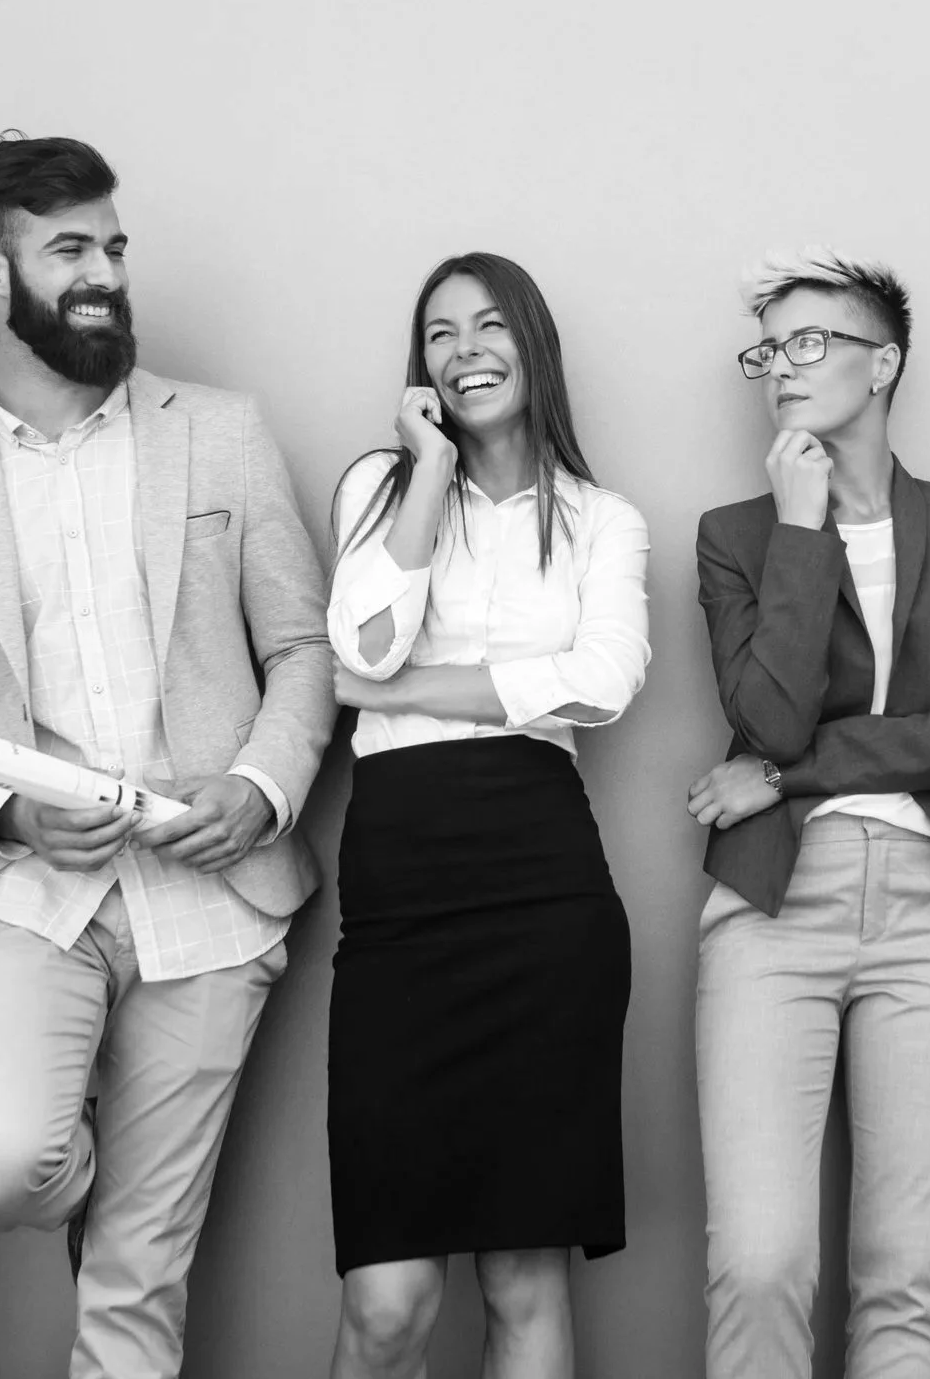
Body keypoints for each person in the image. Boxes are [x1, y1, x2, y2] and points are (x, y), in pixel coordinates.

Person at [0, 135, 334, 1379]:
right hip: (27, 892)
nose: (104, 275)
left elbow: (300, 646)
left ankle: (138, 1207)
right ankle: (120, 1169)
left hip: (213, 900)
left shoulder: (221, 435)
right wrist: (2, 819)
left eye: (112, 247)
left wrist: (260, 788)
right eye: (68, 249)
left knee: (138, 1277)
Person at [688, 250, 930, 1379]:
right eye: (767, 351)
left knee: (905, 1272)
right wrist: (800, 526)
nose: (778, 370)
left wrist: (784, 778)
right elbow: (770, 715)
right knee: (759, 1261)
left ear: (882, 363)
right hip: (776, 905)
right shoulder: (736, 536)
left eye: (806, 344)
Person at [322, 253, 647, 1379]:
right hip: (402, 890)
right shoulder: (377, 484)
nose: (466, 351)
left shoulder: (604, 520)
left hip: (545, 893)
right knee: (385, 1304)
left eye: (489, 325)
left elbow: (602, 682)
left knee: (523, 1277)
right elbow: (360, 643)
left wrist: (408, 690)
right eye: (441, 333)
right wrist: (424, 469)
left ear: (533, 345)